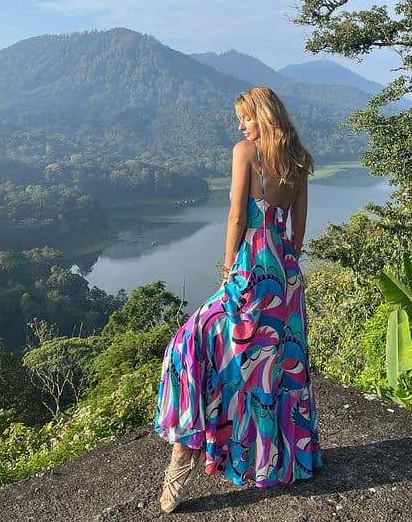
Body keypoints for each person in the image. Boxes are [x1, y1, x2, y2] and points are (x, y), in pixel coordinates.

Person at [153, 86, 323, 512]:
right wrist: (283, 265)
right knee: (273, 371)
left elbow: (236, 216)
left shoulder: (246, 152)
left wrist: (229, 267)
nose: (240, 125)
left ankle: (185, 453)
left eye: (245, 117)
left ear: (261, 116)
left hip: (250, 268)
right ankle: (277, 460)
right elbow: (298, 231)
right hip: (284, 274)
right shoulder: (298, 159)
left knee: (189, 343)